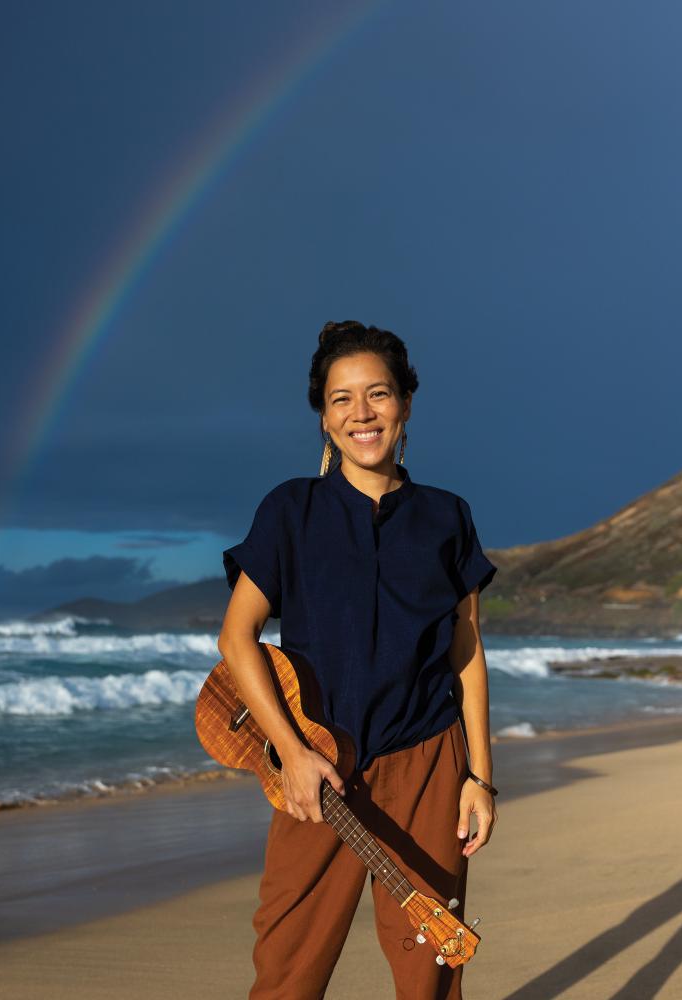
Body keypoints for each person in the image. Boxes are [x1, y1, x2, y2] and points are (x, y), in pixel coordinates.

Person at [217, 320, 499, 1000]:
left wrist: (479, 780)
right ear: (322, 416)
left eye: (377, 394)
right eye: (341, 399)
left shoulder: (446, 517)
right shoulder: (291, 510)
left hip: (428, 761)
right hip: (316, 765)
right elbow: (237, 638)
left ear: (405, 403)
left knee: (428, 968)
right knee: (287, 964)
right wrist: (291, 752)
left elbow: (466, 651)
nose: (361, 414)